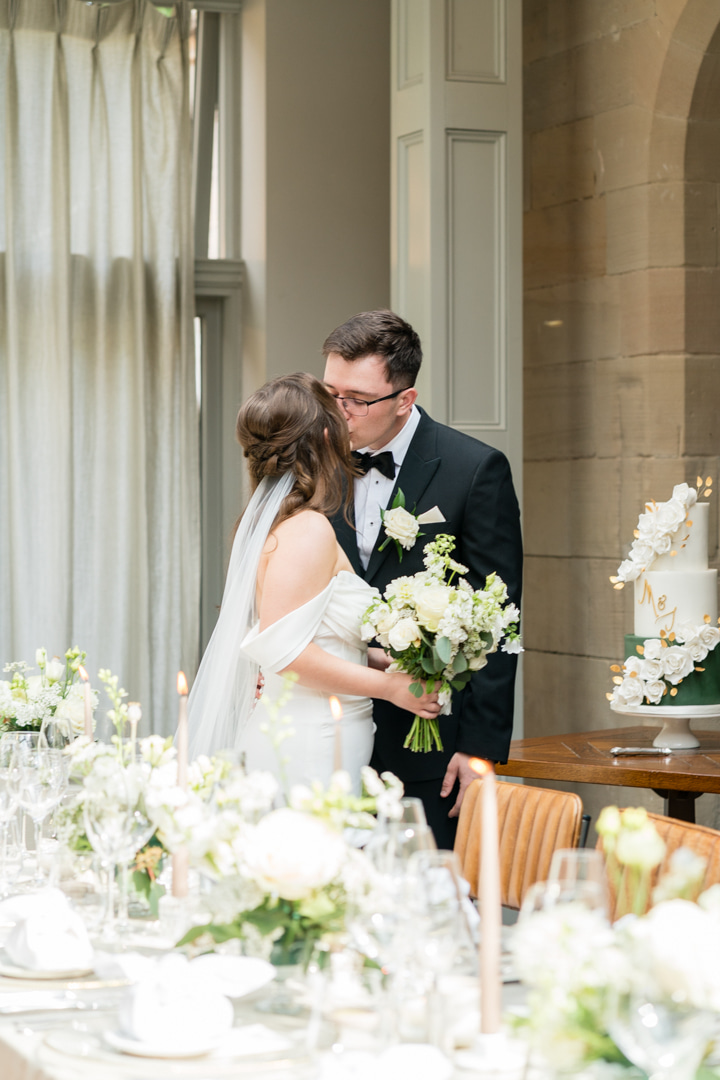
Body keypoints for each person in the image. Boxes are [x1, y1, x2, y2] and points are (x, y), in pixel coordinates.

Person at [323, 311, 523, 848]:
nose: (338, 411)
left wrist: (479, 746)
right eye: (329, 392)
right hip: (330, 729)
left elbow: (499, 617)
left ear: (404, 400)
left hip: (429, 739)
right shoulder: (315, 463)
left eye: (358, 399)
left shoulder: (475, 469)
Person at [186, 372, 439, 794]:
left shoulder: (286, 524)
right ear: (326, 435)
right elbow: (286, 653)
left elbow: (308, 633)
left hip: (317, 730)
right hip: (308, 740)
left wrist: (382, 660)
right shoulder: (307, 528)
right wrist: (390, 688)